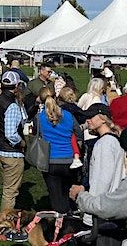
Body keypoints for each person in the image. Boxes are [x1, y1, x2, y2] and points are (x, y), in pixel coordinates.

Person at [69, 104, 126, 245]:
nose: (87, 120)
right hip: (112, 207)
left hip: (101, 212)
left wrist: (89, 215)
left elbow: (101, 181)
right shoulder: (113, 140)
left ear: (102, 119)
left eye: (91, 117)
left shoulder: (104, 144)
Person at [33, 86, 82, 214]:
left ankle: (59, 221)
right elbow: (79, 133)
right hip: (69, 160)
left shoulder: (39, 118)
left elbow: (36, 135)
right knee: (67, 193)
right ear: (56, 97)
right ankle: (68, 218)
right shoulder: (68, 115)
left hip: (50, 160)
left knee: (55, 195)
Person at [0, 70, 27, 209]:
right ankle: (5, 221)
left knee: (7, 186)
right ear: (16, 87)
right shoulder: (13, 106)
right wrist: (22, 143)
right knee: (10, 192)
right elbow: (11, 134)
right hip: (12, 153)